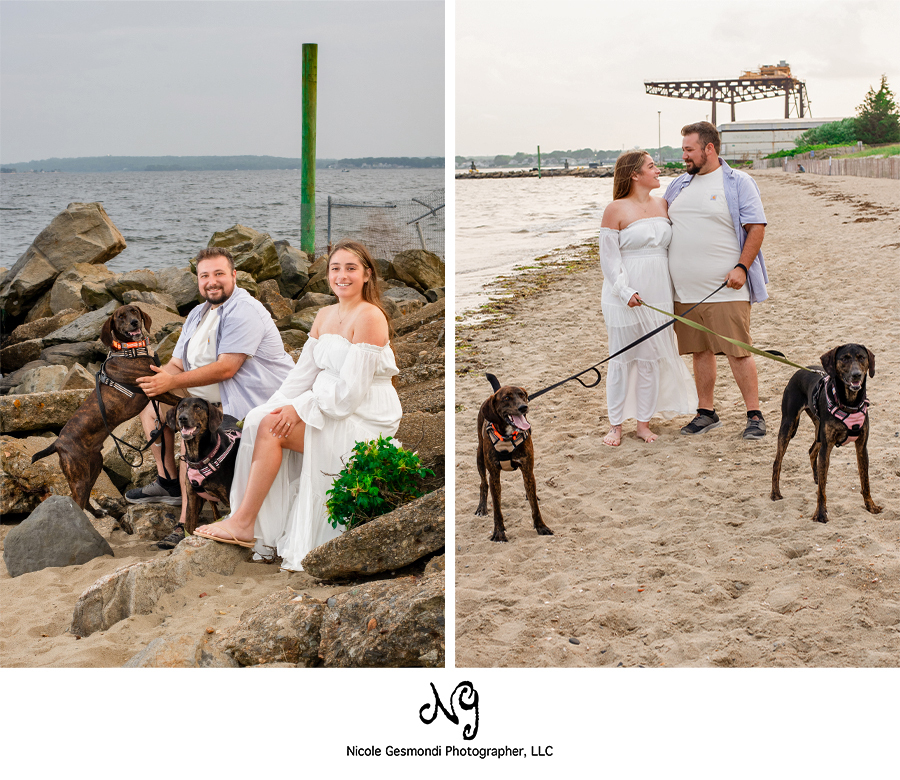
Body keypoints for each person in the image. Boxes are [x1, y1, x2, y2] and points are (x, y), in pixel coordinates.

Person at [193, 239, 402, 572]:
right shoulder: (324, 314)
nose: (342, 275)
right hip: (329, 404)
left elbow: (350, 394)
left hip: (365, 416)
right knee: (264, 420)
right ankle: (250, 523)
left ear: (367, 274)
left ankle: (244, 522)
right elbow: (300, 377)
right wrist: (272, 408)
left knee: (272, 431)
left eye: (351, 268)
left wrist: (299, 409)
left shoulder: (370, 317)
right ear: (327, 274)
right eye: (335, 268)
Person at [127, 247, 295, 548]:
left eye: (219, 274)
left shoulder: (244, 310)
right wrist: (156, 383)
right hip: (207, 397)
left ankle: (184, 522)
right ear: (198, 280)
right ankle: (169, 483)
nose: (212, 282)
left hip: (251, 402)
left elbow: (227, 368)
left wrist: (173, 382)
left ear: (233, 275)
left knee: (191, 427)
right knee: (152, 408)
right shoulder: (197, 313)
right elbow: (176, 364)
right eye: (205, 275)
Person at [665, 121, 769, 440]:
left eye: (689, 149)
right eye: (684, 149)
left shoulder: (738, 182)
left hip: (727, 287)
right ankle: (706, 412)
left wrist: (742, 267)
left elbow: (756, 227)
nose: (684, 155)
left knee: (737, 349)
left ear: (709, 149)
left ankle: (754, 414)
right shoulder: (677, 186)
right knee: (700, 351)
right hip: (685, 289)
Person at [599, 150, 697, 446]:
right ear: (634, 174)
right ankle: (615, 425)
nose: (658, 170)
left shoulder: (664, 204)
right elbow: (609, 258)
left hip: (660, 292)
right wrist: (624, 290)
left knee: (650, 358)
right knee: (622, 357)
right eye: (652, 166)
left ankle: (643, 423)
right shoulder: (615, 209)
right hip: (624, 294)